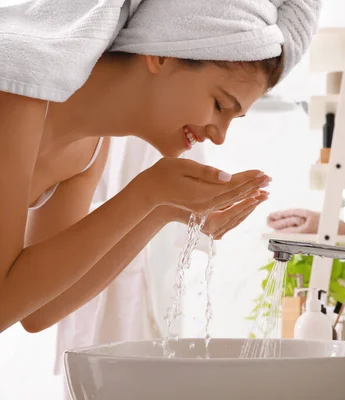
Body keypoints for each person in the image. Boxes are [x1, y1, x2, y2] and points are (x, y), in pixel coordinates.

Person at [0, 0, 321, 334]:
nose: (220, 135)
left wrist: (162, 208)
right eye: (220, 105)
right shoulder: (16, 89)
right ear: (163, 53)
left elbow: (40, 309)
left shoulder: (90, 146)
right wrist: (146, 193)